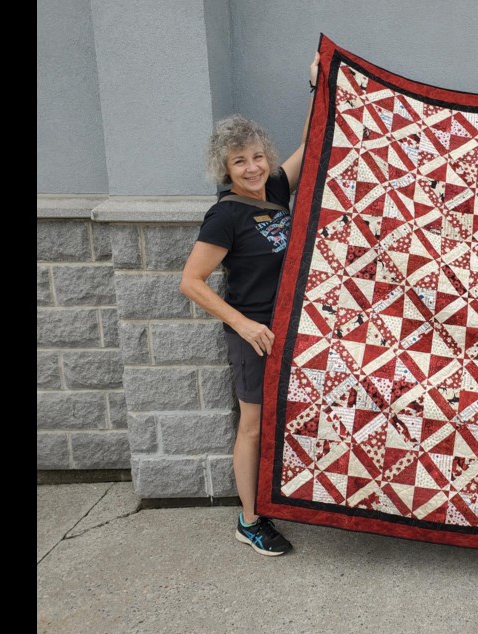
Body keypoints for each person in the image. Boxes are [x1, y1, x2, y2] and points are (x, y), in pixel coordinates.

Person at [180, 52, 320, 556]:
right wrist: (243, 325)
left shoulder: (276, 189)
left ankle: (281, 503)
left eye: (257, 155)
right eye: (240, 161)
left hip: (292, 327)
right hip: (253, 333)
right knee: (253, 424)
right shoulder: (225, 216)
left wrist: (317, 84)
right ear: (225, 168)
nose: (253, 166)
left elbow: (312, 144)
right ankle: (249, 520)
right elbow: (191, 282)